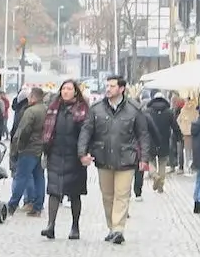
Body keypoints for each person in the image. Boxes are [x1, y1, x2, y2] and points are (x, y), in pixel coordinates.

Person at [79, 74, 152, 246]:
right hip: (103, 157)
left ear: (121, 89)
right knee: (108, 196)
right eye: (107, 86)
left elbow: (143, 135)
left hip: (126, 158)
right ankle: (111, 227)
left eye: (112, 86)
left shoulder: (134, 109)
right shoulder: (97, 109)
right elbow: (86, 131)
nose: (108, 89)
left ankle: (118, 229)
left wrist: (144, 158)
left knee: (122, 194)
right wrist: (83, 153)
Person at [41, 80, 89, 240]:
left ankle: (75, 227)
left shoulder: (82, 110)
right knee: (53, 191)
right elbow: (47, 130)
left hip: (75, 157)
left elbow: (87, 133)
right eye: (63, 88)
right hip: (55, 154)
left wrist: (84, 153)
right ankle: (51, 225)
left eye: (69, 89)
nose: (65, 91)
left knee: (75, 194)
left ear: (75, 92)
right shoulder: (54, 107)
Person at [9, 86, 48, 217]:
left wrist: (18, 147)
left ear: (33, 97)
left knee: (21, 177)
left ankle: (12, 205)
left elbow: (23, 130)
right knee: (39, 178)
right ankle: (38, 206)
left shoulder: (30, 111)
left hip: (28, 148)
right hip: (40, 148)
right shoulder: (46, 109)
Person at [145, 93, 177, 193]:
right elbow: (175, 126)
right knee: (162, 163)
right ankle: (160, 186)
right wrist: (179, 137)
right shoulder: (169, 112)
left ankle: (154, 175)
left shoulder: (147, 111)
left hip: (151, 140)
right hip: (164, 141)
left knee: (149, 161)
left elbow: (142, 126)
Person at [175, 98, 197, 173]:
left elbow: (178, 121)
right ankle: (190, 166)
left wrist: (182, 128)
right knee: (191, 151)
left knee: (187, 151)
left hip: (186, 133)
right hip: (192, 133)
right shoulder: (194, 111)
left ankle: (188, 166)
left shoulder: (184, 110)